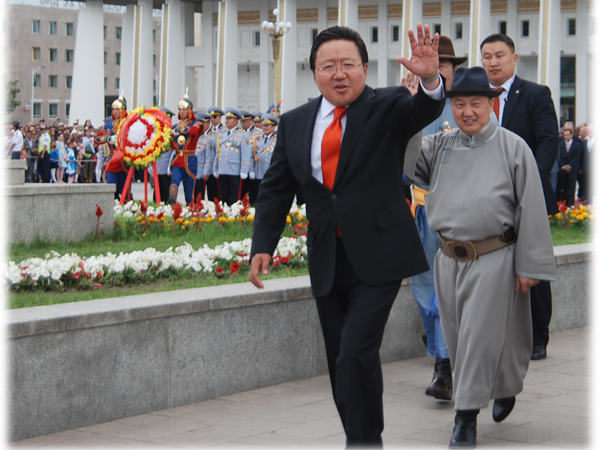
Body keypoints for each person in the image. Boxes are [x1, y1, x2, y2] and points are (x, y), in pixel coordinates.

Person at [249, 24, 445, 446]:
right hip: (327, 256)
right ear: (315, 73)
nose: (339, 74)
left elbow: (424, 110)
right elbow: (276, 188)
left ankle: (362, 442)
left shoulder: (388, 105)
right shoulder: (295, 123)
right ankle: (362, 434)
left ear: (365, 68)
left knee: (356, 351)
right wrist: (262, 245)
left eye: (348, 65)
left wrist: (430, 80)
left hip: (380, 254)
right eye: (328, 66)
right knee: (342, 360)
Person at [404, 66, 556, 447]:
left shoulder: (512, 147)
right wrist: (409, 113)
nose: (467, 111)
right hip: (447, 261)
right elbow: (409, 168)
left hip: (494, 258)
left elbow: (531, 208)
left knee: (477, 337)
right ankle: (504, 387)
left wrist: (529, 265)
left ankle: (465, 417)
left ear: (491, 104)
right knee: (460, 339)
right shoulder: (441, 145)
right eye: (459, 104)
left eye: (476, 103)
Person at [481, 33, 559, 361]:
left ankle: (539, 336)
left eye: (499, 55)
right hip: (488, 200)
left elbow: (548, 143)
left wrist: (526, 183)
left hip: (528, 196)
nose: (493, 62)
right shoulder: (477, 98)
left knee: (533, 266)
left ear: (514, 59)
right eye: (487, 56)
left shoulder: (535, 94)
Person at [401, 35, 466, 402]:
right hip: (421, 212)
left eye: (442, 66)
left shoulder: (464, 107)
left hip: (460, 215)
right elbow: (403, 163)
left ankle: (445, 366)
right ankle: (442, 354)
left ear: (453, 71)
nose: (435, 72)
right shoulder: (413, 106)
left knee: (448, 294)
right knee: (425, 292)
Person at [167, 89, 203, 205]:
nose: (182, 112)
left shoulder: (196, 123)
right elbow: (169, 143)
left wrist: (180, 130)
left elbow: (194, 131)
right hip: (177, 159)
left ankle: (191, 212)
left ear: (190, 111)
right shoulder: (174, 126)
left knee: (189, 193)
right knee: (175, 180)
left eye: (184, 109)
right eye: (180, 109)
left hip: (190, 160)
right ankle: (172, 199)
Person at [96, 92, 131, 200]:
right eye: (113, 109)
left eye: (117, 109)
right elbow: (97, 139)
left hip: (125, 162)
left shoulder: (129, 124)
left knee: (126, 193)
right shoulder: (107, 126)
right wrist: (108, 139)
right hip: (112, 162)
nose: (115, 112)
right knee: (110, 191)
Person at [213, 108, 246, 206]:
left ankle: (233, 215)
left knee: (234, 197)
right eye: (226, 118)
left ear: (236, 121)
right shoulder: (222, 134)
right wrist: (215, 166)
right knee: (224, 196)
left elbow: (245, 154)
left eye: (230, 119)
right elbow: (218, 152)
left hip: (234, 169)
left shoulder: (242, 134)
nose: (227, 121)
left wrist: (244, 170)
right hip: (223, 169)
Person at [242, 113, 277, 205]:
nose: (265, 127)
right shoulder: (257, 139)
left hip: (270, 175)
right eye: (264, 125)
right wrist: (251, 170)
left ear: (273, 127)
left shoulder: (277, 140)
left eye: (267, 125)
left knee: (269, 200)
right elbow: (252, 157)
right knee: (256, 199)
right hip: (258, 174)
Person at [555, 128, 582, 207]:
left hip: (572, 170)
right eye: (564, 135)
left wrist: (570, 166)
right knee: (563, 187)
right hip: (563, 170)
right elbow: (559, 157)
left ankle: (570, 204)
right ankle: (563, 203)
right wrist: (563, 166)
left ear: (571, 135)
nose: (566, 136)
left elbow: (577, 157)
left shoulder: (577, 145)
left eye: (567, 135)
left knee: (571, 187)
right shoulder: (560, 145)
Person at [194, 112, 214, 203]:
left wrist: (206, 172)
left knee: (199, 196)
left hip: (200, 171)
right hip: (191, 171)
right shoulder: (193, 137)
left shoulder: (207, 139)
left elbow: (209, 158)